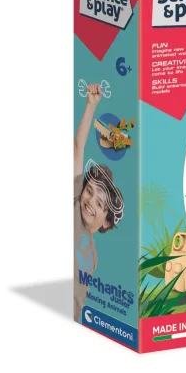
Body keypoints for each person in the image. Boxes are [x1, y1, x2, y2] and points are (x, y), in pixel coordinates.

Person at [74, 84, 124, 321]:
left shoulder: (93, 257)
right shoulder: (74, 206)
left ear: (106, 222)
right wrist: (91, 105)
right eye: (89, 191)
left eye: (100, 203)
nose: (90, 201)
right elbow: (77, 149)